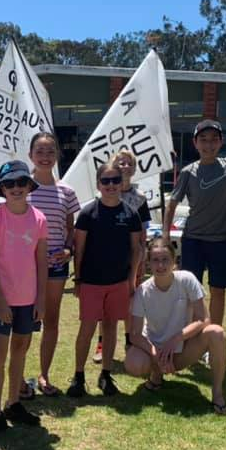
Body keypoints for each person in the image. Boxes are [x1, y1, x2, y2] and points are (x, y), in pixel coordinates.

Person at [0, 160, 47, 441]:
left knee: (20, 351)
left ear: (29, 185)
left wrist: (40, 298)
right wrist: (0, 302)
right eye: (9, 184)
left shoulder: (39, 219)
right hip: (0, 301)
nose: (16, 188)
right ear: (2, 189)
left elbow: (41, 262)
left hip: (28, 301)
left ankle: (13, 403)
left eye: (20, 182)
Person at [124, 237, 226, 415]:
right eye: (155, 260)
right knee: (133, 364)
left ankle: (217, 394)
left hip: (182, 349)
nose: (160, 265)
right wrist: (155, 353)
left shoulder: (187, 280)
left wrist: (176, 339)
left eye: (165, 259)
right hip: (155, 349)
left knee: (217, 332)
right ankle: (156, 375)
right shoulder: (142, 291)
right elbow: (135, 334)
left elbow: (204, 319)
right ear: (149, 264)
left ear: (174, 262)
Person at [68, 158, 143, 397]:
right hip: (91, 282)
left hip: (118, 282)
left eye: (115, 180)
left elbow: (137, 249)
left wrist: (131, 280)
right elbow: (78, 249)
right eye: (106, 180)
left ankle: (106, 374)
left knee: (111, 328)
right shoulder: (88, 212)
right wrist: (78, 279)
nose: (111, 185)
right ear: (98, 184)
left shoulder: (130, 213)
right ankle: (78, 377)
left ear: (122, 183)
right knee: (87, 329)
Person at [162, 120, 226, 327]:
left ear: (221, 142)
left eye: (214, 140)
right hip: (193, 240)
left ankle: (212, 337)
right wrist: (165, 237)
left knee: (218, 290)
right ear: (195, 143)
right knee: (191, 291)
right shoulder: (188, 172)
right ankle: (191, 335)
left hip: (223, 240)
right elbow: (171, 204)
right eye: (203, 140)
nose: (209, 145)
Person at [27, 132, 81, 397]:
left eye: (50, 151)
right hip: (24, 269)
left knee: (51, 320)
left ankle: (44, 375)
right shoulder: (20, 189)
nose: (45, 156)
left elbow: (70, 229)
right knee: (23, 323)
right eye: (40, 151)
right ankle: (18, 379)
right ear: (31, 156)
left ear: (57, 155)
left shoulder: (67, 192)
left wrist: (69, 249)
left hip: (56, 268)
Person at [90, 150, 152, 364]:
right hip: (107, 259)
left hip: (131, 258)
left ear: (134, 169)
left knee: (130, 301)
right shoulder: (103, 194)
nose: (124, 166)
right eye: (120, 163)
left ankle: (129, 341)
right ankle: (101, 343)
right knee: (105, 305)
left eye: (128, 163)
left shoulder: (140, 198)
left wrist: (142, 259)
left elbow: (144, 233)